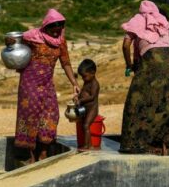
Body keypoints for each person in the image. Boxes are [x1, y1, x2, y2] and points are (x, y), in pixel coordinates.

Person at [8, 9, 79, 163]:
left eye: (59, 28)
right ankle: (31, 154)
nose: (56, 32)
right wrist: (10, 43)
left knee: (51, 115)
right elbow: (14, 42)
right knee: (30, 116)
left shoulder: (61, 41)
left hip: (47, 84)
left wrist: (74, 83)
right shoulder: (33, 38)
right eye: (54, 28)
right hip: (29, 84)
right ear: (46, 26)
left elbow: (65, 62)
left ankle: (44, 152)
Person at [120, 0, 169, 155]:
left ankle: (133, 143)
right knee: (166, 101)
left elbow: (126, 45)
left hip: (152, 60)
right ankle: (164, 141)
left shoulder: (137, 20)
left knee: (137, 100)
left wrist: (128, 65)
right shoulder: (162, 20)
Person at [74, 58, 100, 150]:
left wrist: (81, 100)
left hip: (92, 109)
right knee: (83, 125)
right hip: (85, 108)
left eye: (84, 76)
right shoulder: (87, 81)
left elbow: (92, 96)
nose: (83, 79)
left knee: (86, 125)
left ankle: (88, 145)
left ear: (92, 73)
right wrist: (78, 96)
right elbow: (84, 92)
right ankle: (88, 144)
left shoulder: (94, 84)